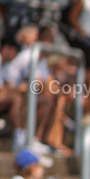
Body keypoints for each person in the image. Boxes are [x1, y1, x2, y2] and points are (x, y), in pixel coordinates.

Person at [4, 25, 71, 154]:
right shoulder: (29, 55)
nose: (50, 45)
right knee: (37, 96)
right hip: (13, 90)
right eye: (48, 40)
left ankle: (40, 139)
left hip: (26, 93)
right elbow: (39, 83)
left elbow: (48, 83)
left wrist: (61, 92)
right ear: (40, 40)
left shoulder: (42, 60)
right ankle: (24, 136)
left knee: (55, 98)